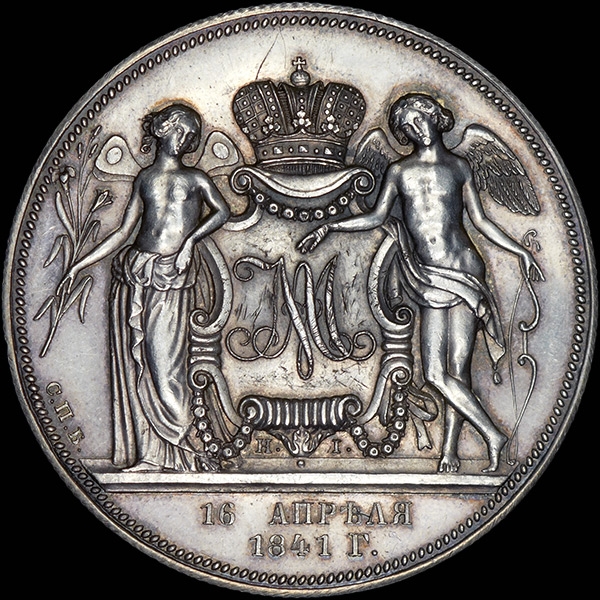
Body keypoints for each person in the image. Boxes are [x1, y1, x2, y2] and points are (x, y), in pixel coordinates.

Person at [298, 93, 543, 473]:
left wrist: (519, 251)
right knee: (433, 373)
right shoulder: (399, 171)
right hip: (428, 275)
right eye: (408, 127)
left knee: (457, 370)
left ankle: (450, 451)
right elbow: (377, 216)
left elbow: (481, 222)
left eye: (420, 119)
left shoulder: (459, 166)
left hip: (464, 270)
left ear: (435, 116)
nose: (416, 130)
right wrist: (330, 227)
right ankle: (493, 434)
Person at [62, 103, 230, 472]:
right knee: (143, 365)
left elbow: (223, 212)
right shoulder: (145, 179)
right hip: (138, 273)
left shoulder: (195, 179)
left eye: (191, 136)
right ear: (162, 129)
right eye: (180, 130)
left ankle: (181, 448)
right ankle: (152, 456)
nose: (185, 140)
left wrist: (190, 242)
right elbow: (124, 232)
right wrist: (81, 263)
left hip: (171, 276)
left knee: (166, 364)